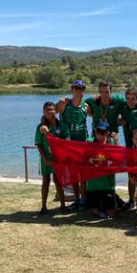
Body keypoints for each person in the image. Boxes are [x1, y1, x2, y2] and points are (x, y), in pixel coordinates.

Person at [56, 79, 89, 209]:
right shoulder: (64, 104)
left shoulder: (86, 106)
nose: (79, 91)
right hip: (68, 145)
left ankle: (84, 199)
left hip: (82, 144)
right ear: (72, 90)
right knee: (74, 174)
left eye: (81, 89)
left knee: (83, 174)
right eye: (76, 88)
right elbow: (50, 114)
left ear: (84, 91)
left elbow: (95, 116)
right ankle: (77, 199)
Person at [35, 101, 70, 215]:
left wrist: (51, 135)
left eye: (52, 109)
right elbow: (38, 144)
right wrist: (45, 158)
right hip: (46, 158)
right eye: (47, 110)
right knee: (46, 181)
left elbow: (67, 141)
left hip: (58, 158)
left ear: (56, 111)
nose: (50, 112)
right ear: (44, 112)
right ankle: (44, 206)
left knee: (58, 181)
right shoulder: (40, 128)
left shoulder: (62, 126)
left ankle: (63, 205)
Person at [85, 121, 119, 218]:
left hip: (108, 183)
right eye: (97, 132)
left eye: (102, 133)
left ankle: (112, 204)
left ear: (107, 133)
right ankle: (100, 209)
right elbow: (85, 158)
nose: (99, 135)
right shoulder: (89, 141)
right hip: (93, 183)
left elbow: (117, 158)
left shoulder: (112, 142)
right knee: (93, 210)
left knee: (111, 212)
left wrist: (116, 141)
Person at [119, 85, 137, 210]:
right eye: (128, 99)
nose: (130, 101)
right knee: (131, 176)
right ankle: (132, 200)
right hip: (129, 148)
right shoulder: (123, 107)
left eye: (133, 99)